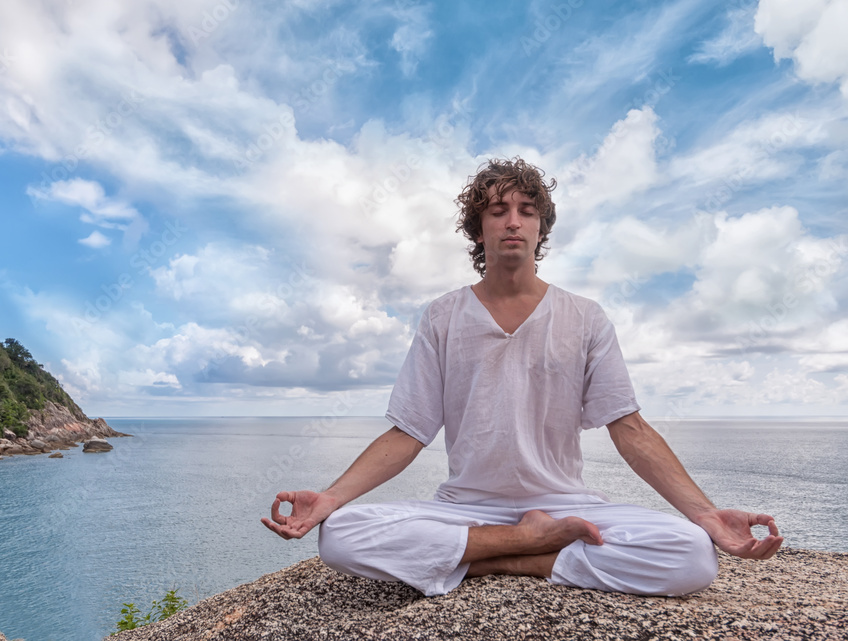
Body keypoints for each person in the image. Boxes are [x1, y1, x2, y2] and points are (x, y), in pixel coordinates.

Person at [261, 157, 783, 597]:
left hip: (562, 502)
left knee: (693, 554)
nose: (513, 221)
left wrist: (706, 514)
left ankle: (490, 558)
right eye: (498, 210)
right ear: (478, 228)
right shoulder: (443, 316)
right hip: (466, 507)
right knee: (341, 535)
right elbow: (409, 431)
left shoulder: (584, 317)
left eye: (526, 211)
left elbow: (630, 429)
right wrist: (330, 498)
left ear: (540, 228)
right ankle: (526, 546)